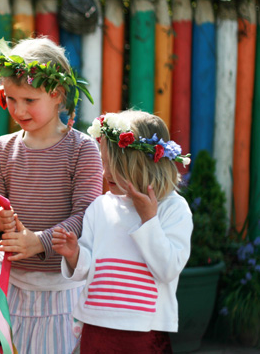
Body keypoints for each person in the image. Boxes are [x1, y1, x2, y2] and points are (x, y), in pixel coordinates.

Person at [0, 37, 103, 353]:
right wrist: (1, 219)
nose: (18, 109)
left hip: (63, 289)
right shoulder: (2, 148)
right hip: (11, 287)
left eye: (29, 100)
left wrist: (38, 241)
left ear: (56, 94)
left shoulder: (82, 149)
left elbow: (86, 215)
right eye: (10, 99)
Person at [53, 110, 193, 352]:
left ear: (142, 164)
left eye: (114, 165)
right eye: (103, 162)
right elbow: (89, 267)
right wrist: (74, 254)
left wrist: (149, 219)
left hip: (145, 331)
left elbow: (167, 269)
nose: (105, 173)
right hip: (97, 327)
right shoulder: (100, 207)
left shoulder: (173, 209)